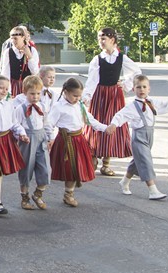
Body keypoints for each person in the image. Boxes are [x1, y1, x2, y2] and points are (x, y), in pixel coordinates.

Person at [107, 74, 168, 200]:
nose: (141, 89)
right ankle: (153, 190)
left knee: (137, 162)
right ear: (133, 89)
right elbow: (120, 115)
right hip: (139, 137)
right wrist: (113, 124)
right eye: (138, 87)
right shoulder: (132, 106)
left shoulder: (152, 102)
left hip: (149, 136)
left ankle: (124, 181)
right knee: (145, 161)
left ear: (149, 89)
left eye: (144, 87)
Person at [83, 27, 141, 176]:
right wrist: (87, 96)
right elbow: (92, 79)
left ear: (112, 40)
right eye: (99, 39)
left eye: (103, 39)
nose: (101, 42)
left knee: (112, 124)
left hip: (115, 95)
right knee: (97, 123)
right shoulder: (97, 59)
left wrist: (126, 83)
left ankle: (106, 163)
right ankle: (94, 156)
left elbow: (136, 71)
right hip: (100, 94)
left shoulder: (121, 58)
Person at [48, 78, 108, 207]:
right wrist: (50, 138)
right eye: (75, 95)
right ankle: (65, 194)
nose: (77, 98)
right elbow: (49, 124)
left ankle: (69, 193)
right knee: (70, 168)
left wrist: (105, 128)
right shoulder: (59, 107)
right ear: (66, 92)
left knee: (77, 167)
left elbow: (89, 120)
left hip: (79, 139)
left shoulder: (80, 105)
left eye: (79, 95)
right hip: (65, 141)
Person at [0, 74, 29, 216]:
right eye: (1, 88)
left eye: (6, 88)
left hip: (5, 139)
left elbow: (14, 123)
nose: (4, 91)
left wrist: (21, 133)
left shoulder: (9, 104)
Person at [13, 75, 53, 210]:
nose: (35, 97)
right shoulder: (20, 109)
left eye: (38, 93)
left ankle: (38, 194)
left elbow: (46, 123)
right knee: (26, 169)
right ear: (25, 93)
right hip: (27, 139)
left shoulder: (42, 106)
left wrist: (50, 137)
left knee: (45, 168)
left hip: (41, 137)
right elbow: (15, 124)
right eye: (32, 94)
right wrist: (21, 135)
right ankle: (24, 197)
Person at [0, 26, 40, 96]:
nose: (13, 41)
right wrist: (7, 90)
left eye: (15, 38)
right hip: (13, 87)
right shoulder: (8, 52)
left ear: (23, 37)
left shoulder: (32, 50)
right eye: (11, 39)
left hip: (29, 87)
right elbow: (5, 73)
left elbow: (35, 71)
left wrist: (29, 56)